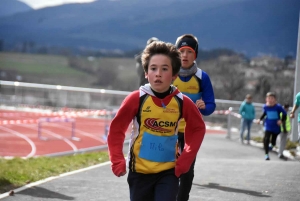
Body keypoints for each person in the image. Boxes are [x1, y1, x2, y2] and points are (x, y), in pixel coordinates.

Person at [107, 41, 206, 201]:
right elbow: (117, 129)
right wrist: (117, 159)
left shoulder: (182, 102)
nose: (158, 73)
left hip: (168, 172)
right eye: (153, 68)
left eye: (164, 69)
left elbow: (197, 128)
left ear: (174, 74)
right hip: (139, 173)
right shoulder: (136, 99)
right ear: (146, 72)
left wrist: (185, 159)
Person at [173, 34, 216, 201]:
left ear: (195, 55)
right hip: (170, 130)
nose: (184, 55)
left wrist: (205, 107)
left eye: (189, 51)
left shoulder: (202, 77)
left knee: (187, 170)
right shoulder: (170, 74)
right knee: (168, 169)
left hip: (191, 132)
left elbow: (211, 104)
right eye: (181, 51)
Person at [255, 92, 287, 160]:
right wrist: (259, 119)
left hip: (276, 127)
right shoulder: (265, 106)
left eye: (272, 98)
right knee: (266, 139)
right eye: (269, 98)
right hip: (268, 125)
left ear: (275, 100)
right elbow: (264, 114)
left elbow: (285, 114)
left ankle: (272, 145)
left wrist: (281, 120)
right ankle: (266, 154)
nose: (270, 100)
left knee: (273, 141)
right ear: (266, 99)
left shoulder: (278, 107)